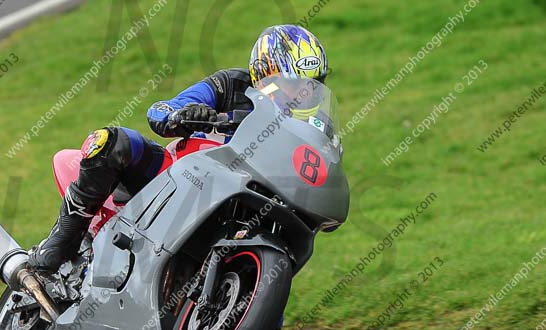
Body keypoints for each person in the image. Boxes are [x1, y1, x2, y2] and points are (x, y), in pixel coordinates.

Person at [27, 24, 329, 272]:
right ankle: (64, 237)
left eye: (312, 86)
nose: (304, 93)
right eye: (295, 84)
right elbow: (161, 110)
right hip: (177, 177)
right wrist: (183, 115)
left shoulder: (313, 129)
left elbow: (319, 176)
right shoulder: (230, 85)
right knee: (113, 141)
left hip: (243, 201)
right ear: (265, 74)